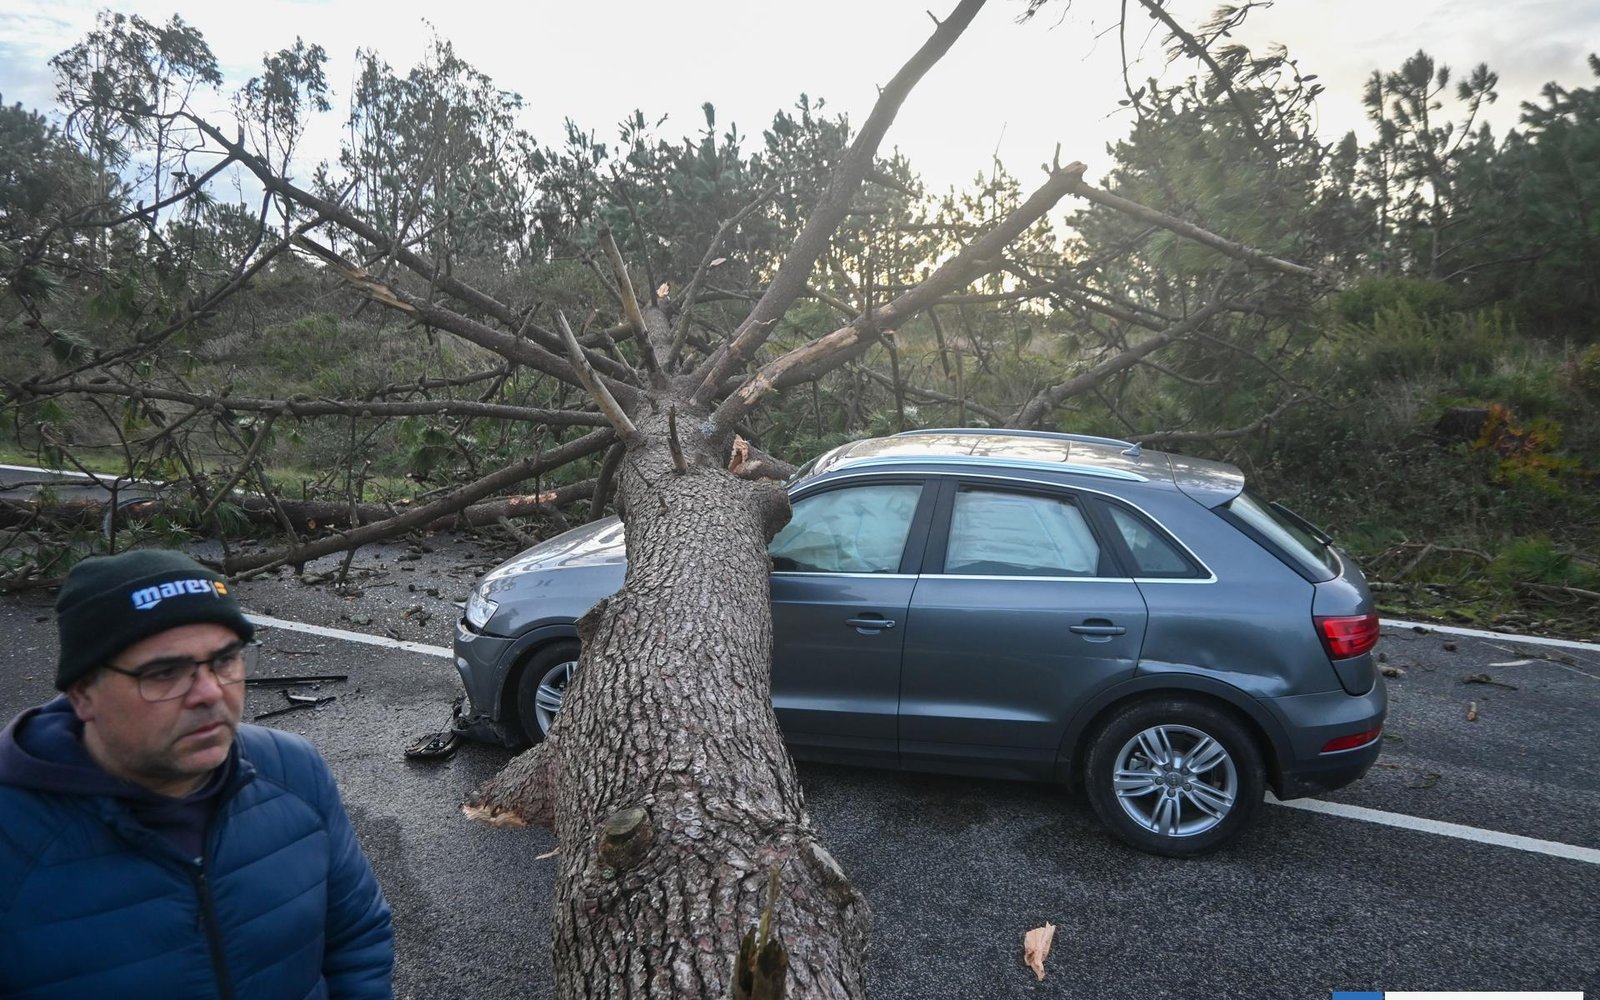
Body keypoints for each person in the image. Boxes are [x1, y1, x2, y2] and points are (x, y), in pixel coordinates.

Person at [0, 549, 394, 999]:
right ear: (83, 694)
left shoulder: (295, 771)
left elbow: (357, 937)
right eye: (165, 673)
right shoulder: (12, 835)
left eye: (225, 661)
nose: (209, 693)